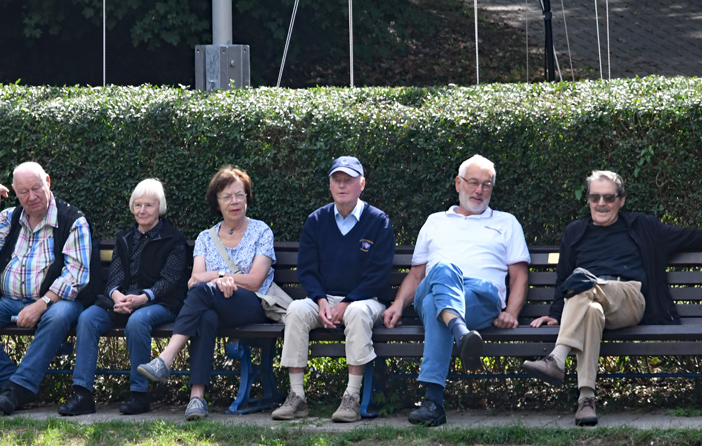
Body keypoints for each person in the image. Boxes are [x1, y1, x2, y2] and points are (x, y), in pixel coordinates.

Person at [524, 170, 702, 426]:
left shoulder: (643, 226)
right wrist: (555, 314)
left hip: (629, 299)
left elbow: (693, 237)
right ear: (588, 200)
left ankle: (557, 358)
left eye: (609, 198)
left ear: (621, 200)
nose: (601, 203)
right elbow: (563, 277)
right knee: (590, 310)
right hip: (587, 299)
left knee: (581, 282)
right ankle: (586, 399)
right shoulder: (575, 232)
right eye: (595, 197)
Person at [382, 155, 529, 427]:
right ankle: (461, 333)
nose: (479, 190)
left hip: (480, 297)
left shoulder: (507, 223)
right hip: (436, 286)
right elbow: (417, 275)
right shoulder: (435, 221)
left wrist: (511, 311)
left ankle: (433, 402)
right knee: (443, 269)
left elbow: (519, 276)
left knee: (435, 306)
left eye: (486, 184)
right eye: (473, 182)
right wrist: (398, 304)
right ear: (458, 183)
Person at [0, 162, 97, 416]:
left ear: (48, 182)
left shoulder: (73, 221)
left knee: (58, 316)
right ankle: (11, 384)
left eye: (36, 188)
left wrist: (41, 304)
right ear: (15, 192)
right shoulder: (8, 218)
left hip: (56, 302)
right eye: (23, 192)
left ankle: (18, 389)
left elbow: (76, 275)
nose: (31, 197)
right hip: (8, 300)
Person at [137, 166, 275, 421]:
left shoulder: (261, 231)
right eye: (227, 197)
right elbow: (194, 281)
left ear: (247, 197)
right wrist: (217, 282)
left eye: (240, 195)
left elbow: (255, 281)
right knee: (205, 315)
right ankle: (197, 397)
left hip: (252, 305)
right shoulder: (205, 238)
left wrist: (219, 276)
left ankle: (166, 358)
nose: (235, 201)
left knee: (204, 293)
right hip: (213, 304)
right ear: (217, 202)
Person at [272, 156, 394, 423]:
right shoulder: (316, 220)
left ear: (361, 184)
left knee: (357, 313)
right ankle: (296, 396)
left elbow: (378, 274)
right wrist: (321, 301)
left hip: (365, 300)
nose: (342, 185)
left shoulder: (378, 221)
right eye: (337, 180)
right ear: (330, 185)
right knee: (296, 310)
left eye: (348, 180)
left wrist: (347, 302)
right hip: (324, 300)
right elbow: (307, 269)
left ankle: (351, 397)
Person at [58, 179, 188, 416]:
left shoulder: (173, 240)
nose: (142, 210)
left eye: (149, 205)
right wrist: (117, 296)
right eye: (138, 205)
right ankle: (82, 394)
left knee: (138, 322)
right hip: (122, 303)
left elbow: (169, 281)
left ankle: (139, 393)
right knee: (88, 318)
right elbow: (114, 278)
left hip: (159, 303)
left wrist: (143, 298)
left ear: (159, 207)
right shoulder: (125, 239)